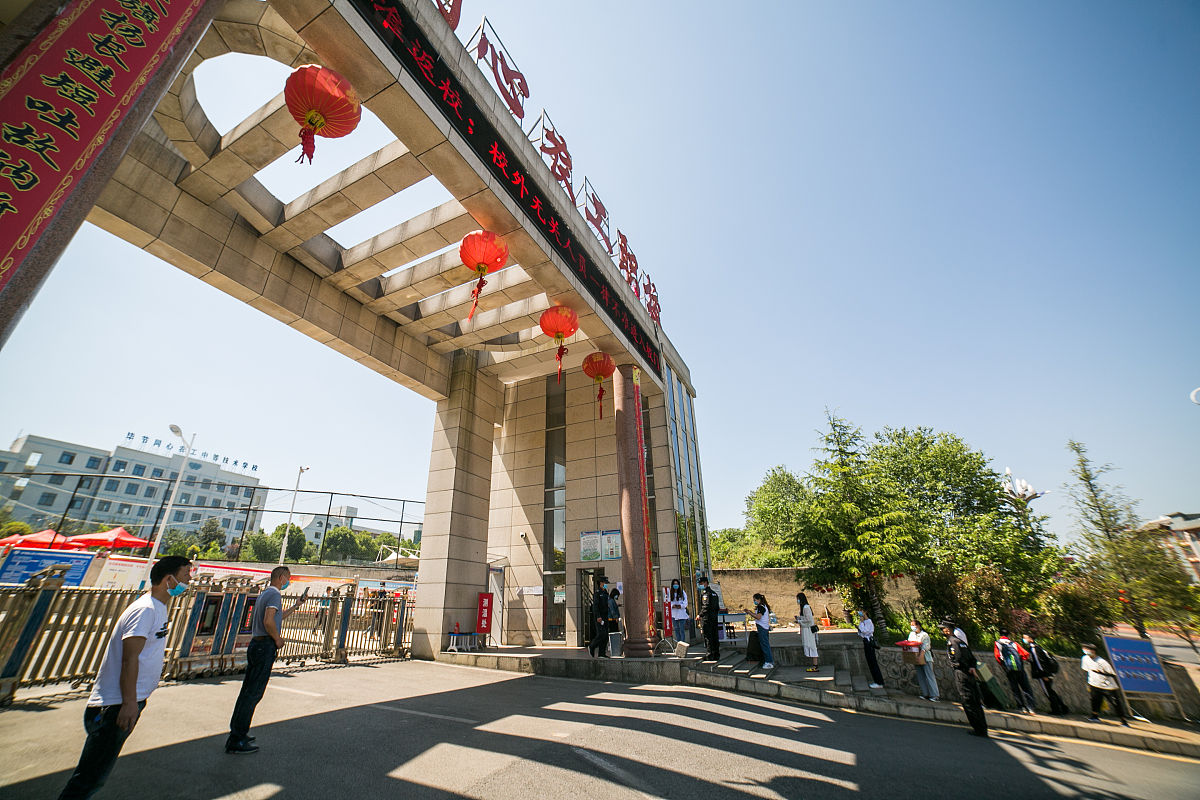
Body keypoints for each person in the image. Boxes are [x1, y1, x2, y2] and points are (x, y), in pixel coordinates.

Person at [58, 556, 193, 799]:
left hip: (130, 701)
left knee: (94, 776)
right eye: (185, 575)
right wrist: (129, 702)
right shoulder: (145, 610)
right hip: (115, 705)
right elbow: (130, 658)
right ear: (168, 579)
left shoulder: (159, 607)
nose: (189, 580)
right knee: (88, 780)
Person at [226, 566, 307, 754]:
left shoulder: (265, 594)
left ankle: (238, 731)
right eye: (287, 578)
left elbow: (277, 617)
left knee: (248, 690)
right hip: (264, 646)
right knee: (253, 693)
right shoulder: (274, 595)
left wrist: (296, 606)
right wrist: (277, 639)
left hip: (257, 645)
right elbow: (269, 621)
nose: (288, 581)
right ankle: (237, 739)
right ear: (280, 577)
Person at [941, 619, 988, 737]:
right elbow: (972, 658)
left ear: (947, 630)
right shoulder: (961, 642)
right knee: (975, 701)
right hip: (969, 673)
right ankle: (982, 727)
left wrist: (964, 667)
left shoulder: (952, 642)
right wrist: (972, 667)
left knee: (968, 701)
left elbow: (958, 659)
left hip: (962, 673)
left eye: (943, 628)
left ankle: (978, 728)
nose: (942, 630)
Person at [1081, 642, 1129, 726]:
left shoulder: (1102, 662)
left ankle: (1123, 720)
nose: (1085, 651)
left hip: (1108, 686)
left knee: (1115, 703)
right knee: (1095, 700)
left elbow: (1112, 674)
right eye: (1084, 649)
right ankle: (1094, 716)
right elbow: (1086, 670)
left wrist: (1101, 673)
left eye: (1087, 649)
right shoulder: (1085, 658)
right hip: (1094, 683)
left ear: (1093, 651)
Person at [1022, 633, 1068, 715]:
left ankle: (1057, 710)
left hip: (1043, 674)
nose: (1024, 639)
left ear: (1031, 639)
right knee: (1050, 691)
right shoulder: (1037, 647)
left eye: (1025, 638)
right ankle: (1063, 708)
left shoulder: (1034, 649)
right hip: (1047, 672)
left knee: (1048, 692)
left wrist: (1044, 674)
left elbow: (1040, 663)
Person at [993, 629, 1036, 714]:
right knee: (1026, 688)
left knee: (1015, 689)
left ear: (1000, 635)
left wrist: (1004, 665)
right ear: (1008, 635)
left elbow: (997, 656)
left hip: (1009, 670)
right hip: (1019, 669)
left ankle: (1021, 707)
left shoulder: (997, 643)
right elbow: (1025, 654)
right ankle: (1030, 707)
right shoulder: (1014, 643)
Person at [909, 620, 939, 701]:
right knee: (920, 676)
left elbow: (926, 646)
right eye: (911, 625)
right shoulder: (912, 634)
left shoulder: (924, 635)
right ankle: (925, 694)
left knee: (929, 676)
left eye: (913, 625)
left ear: (918, 625)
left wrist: (921, 656)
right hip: (916, 656)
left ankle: (934, 695)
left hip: (926, 657)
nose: (912, 627)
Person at [856, 609, 884, 688]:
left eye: (861, 611)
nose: (860, 613)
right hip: (865, 641)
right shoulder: (864, 622)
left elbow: (865, 631)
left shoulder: (868, 621)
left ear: (865, 612)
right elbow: (861, 633)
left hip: (869, 643)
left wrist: (861, 624)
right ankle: (876, 681)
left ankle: (879, 682)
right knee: (870, 663)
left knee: (873, 662)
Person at [695, 575, 721, 661]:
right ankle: (716, 654)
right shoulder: (714, 593)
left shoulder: (706, 593)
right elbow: (717, 607)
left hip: (707, 618)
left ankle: (710, 655)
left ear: (705, 583)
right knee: (715, 636)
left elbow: (706, 606)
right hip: (714, 618)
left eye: (701, 583)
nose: (700, 585)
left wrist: (700, 615)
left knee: (708, 637)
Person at [747, 593, 774, 669]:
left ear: (758, 599)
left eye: (755, 600)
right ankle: (767, 660)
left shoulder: (761, 607)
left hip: (762, 627)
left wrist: (750, 613)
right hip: (763, 627)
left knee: (765, 645)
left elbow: (758, 617)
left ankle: (769, 662)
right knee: (765, 645)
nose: (754, 601)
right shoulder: (763, 606)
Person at [588, 578, 612, 658]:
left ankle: (602, 653)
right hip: (600, 617)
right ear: (601, 583)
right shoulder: (597, 593)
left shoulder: (605, 593)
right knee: (602, 634)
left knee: (605, 636)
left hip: (605, 616)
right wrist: (598, 616)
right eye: (605, 583)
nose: (606, 584)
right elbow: (595, 606)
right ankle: (592, 646)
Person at [796, 592, 819, 672]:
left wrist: (800, 621)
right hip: (806, 629)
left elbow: (809, 620)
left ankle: (815, 666)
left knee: (812, 646)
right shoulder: (804, 607)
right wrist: (799, 618)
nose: (797, 601)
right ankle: (814, 665)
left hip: (808, 629)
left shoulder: (806, 607)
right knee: (809, 646)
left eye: (798, 599)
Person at [608, 587, 623, 656]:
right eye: (617, 595)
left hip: (613, 619)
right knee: (614, 633)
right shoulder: (611, 601)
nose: (617, 597)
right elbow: (612, 610)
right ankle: (613, 647)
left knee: (615, 633)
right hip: (612, 620)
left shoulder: (612, 600)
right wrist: (616, 617)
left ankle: (614, 647)